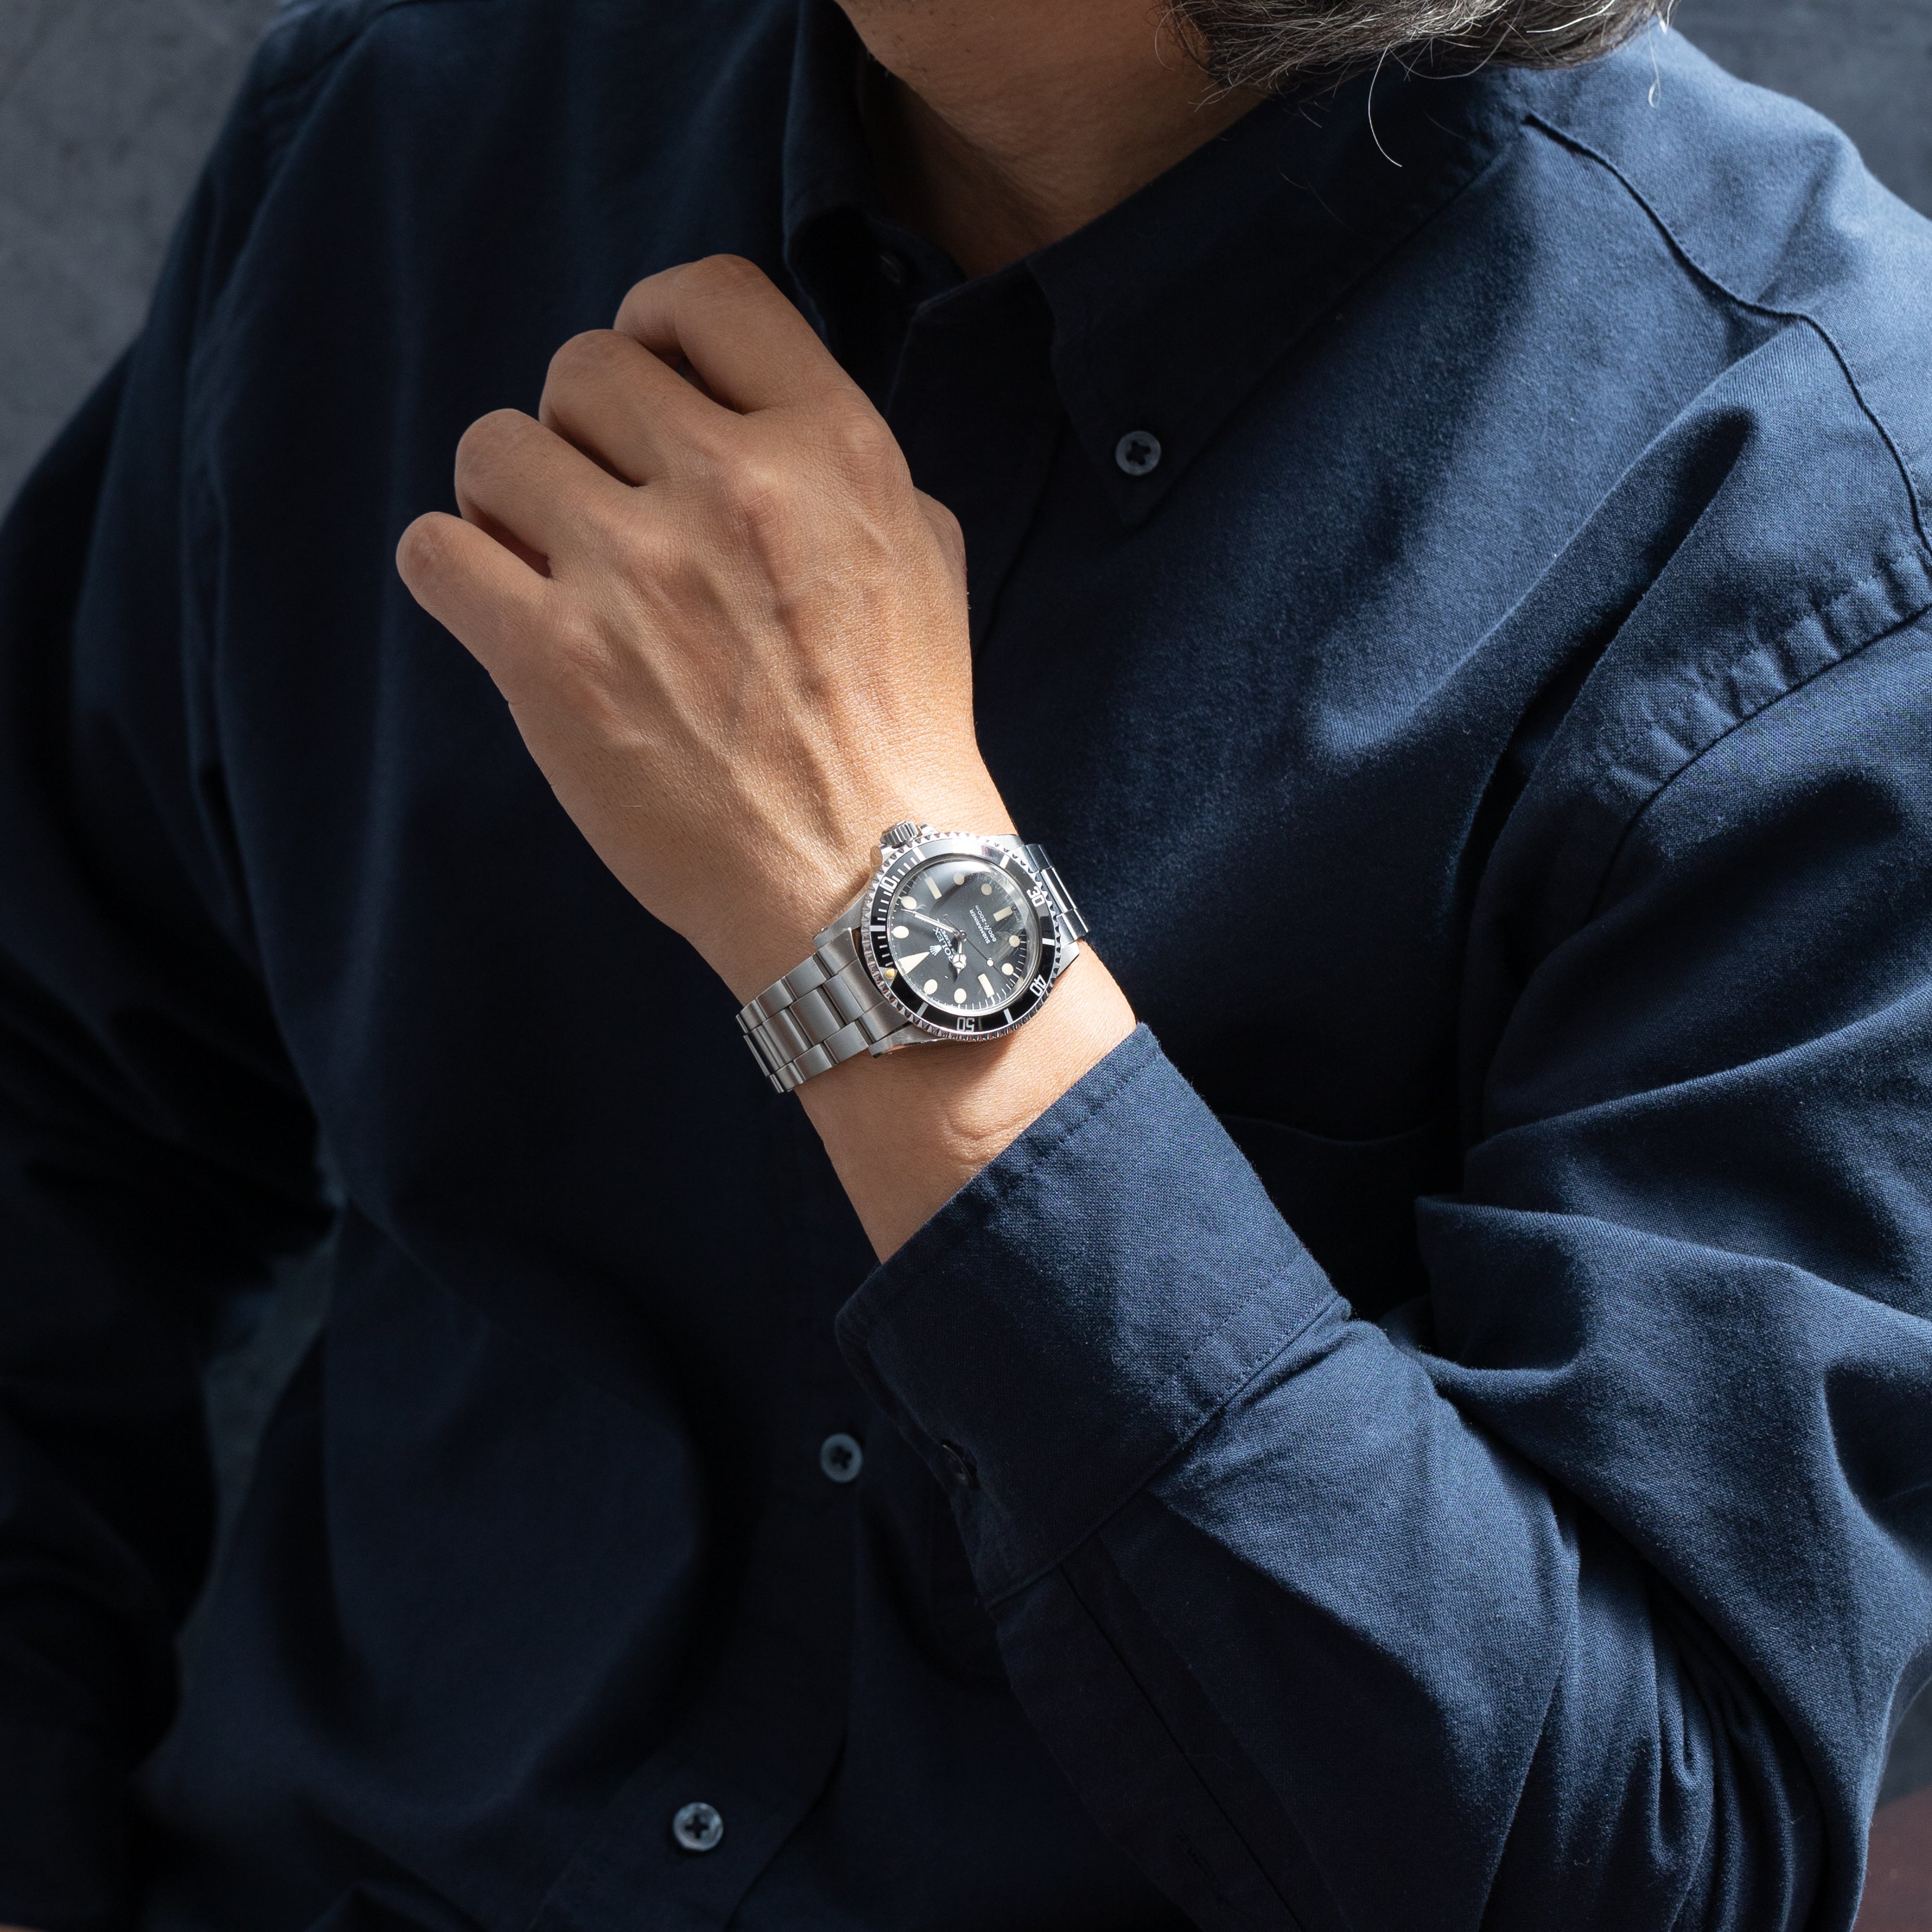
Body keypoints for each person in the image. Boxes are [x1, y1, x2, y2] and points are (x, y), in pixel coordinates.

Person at [2, 0, 1930, 1924]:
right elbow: (45, 1087)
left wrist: (888, 917)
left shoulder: (1823, 523)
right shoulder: (406, 132)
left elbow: (1652, 1851)